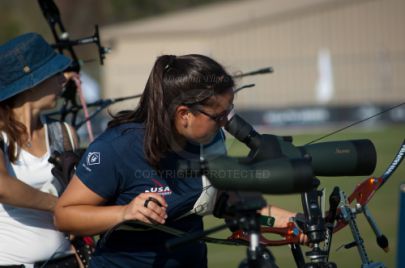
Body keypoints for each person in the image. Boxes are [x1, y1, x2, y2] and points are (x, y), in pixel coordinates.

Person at [54, 54, 302, 268]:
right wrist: (125, 212)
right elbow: (65, 217)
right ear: (184, 114)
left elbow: (230, 204)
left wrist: (291, 222)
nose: (227, 122)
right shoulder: (115, 147)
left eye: (230, 110)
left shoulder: (210, 138)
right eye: (219, 115)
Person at [0, 33, 81, 267]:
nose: (63, 79)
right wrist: (60, 206)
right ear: (31, 82)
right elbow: (3, 187)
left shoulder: (65, 133)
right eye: (55, 73)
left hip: (66, 261)